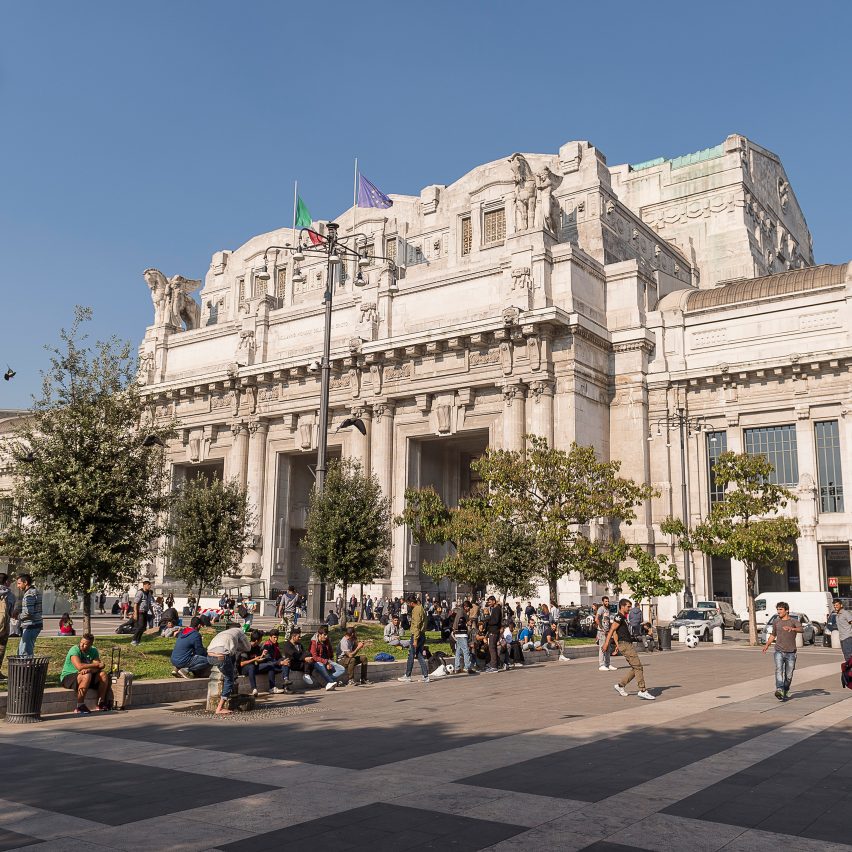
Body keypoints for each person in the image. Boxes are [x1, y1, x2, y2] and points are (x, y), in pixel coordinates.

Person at [606, 598, 655, 700]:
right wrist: (607, 643)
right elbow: (612, 630)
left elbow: (616, 632)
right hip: (625, 645)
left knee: (636, 667)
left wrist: (616, 646)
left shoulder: (623, 617)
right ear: (622, 606)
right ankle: (642, 690)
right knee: (638, 667)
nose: (630, 608)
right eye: (628, 606)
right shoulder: (619, 617)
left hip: (625, 644)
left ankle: (620, 685)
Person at [60, 632, 112, 714]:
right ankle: (79, 706)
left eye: (85, 644)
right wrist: (95, 665)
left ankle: (101, 703)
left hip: (86, 675)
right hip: (69, 677)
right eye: (81, 642)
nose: (82, 645)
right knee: (86, 675)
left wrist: (90, 670)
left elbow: (98, 668)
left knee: (103, 675)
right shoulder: (74, 650)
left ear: (91, 644)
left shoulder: (94, 650)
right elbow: (79, 666)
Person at [762, 601, 803, 700]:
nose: (778, 611)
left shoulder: (793, 621)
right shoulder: (776, 621)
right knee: (779, 670)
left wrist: (792, 629)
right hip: (779, 650)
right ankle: (779, 689)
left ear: (787, 610)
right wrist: (767, 645)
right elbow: (773, 634)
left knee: (789, 675)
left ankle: (785, 689)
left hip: (791, 653)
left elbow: (801, 629)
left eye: (780, 609)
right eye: (777, 609)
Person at [206, 625, 251, 714]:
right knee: (229, 679)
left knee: (228, 664)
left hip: (209, 656)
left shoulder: (223, 633)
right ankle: (219, 708)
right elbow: (247, 648)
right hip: (221, 657)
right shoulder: (240, 632)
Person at [398, 594, 429, 684]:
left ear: (411, 603)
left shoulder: (416, 610)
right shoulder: (421, 608)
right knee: (419, 655)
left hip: (416, 635)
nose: (407, 605)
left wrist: (415, 639)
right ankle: (425, 676)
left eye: (408, 604)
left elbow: (416, 625)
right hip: (422, 634)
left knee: (411, 655)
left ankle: (408, 675)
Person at [14, 574, 42, 656]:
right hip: (33, 625)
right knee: (22, 651)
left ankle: (27, 668)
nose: (17, 586)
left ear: (25, 582)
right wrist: (18, 610)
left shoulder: (29, 594)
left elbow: (28, 612)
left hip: (31, 625)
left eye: (19, 583)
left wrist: (16, 617)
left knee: (25, 652)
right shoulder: (33, 591)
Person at [308, 625, 340, 691]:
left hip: (327, 661)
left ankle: (329, 679)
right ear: (319, 634)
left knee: (341, 669)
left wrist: (330, 660)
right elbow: (315, 657)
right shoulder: (314, 642)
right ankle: (330, 682)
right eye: (324, 635)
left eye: (327, 635)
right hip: (316, 662)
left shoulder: (327, 640)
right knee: (321, 665)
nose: (326, 636)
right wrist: (326, 662)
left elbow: (330, 652)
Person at [451, 600, 473, 674]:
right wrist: (468, 622)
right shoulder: (462, 613)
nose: (469, 609)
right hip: (462, 633)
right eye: (468, 608)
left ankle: (457, 667)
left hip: (458, 633)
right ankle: (467, 667)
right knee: (466, 650)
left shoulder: (460, 612)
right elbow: (463, 623)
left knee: (458, 650)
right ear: (465, 607)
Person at [0, 573, 15, 679]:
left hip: (3, 625)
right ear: (5, 582)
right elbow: (10, 612)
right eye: (9, 581)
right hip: (4, 626)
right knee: (1, 648)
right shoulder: (10, 595)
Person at [596, 596, 617, 672]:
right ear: (602, 602)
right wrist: (602, 628)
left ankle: (607, 664)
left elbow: (609, 620)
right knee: (602, 647)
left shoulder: (607, 610)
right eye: (605, 601)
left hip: (607, 631)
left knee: (608, 648)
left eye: (608, 601)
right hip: (602, 632)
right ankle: (601, 665)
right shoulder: (601, 609)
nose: (607, 603)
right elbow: (596, 619)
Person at [483, 595, 502, 673]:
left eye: (490, 602)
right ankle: (494, 665)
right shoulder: (495, 609)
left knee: (492, 648)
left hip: (494, 632)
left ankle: (494, 666)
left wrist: (488, 620)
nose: (489, 603)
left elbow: (495, 621)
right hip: (493, 631)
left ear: (494, 601)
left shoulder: (496, 609)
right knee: (492, 648)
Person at [131, 580, 154, 646]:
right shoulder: (140, 592)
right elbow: (135, 603)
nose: (150, 586)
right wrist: (135, 613)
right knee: (140, 626)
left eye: (150, 585)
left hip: (145, 612)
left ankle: (138, 641)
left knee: (144, 627)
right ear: (145, 585)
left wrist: (152, 613)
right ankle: (133, 640)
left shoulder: (149, 593)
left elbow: (149, 604)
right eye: (149, 585)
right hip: (140, 612)